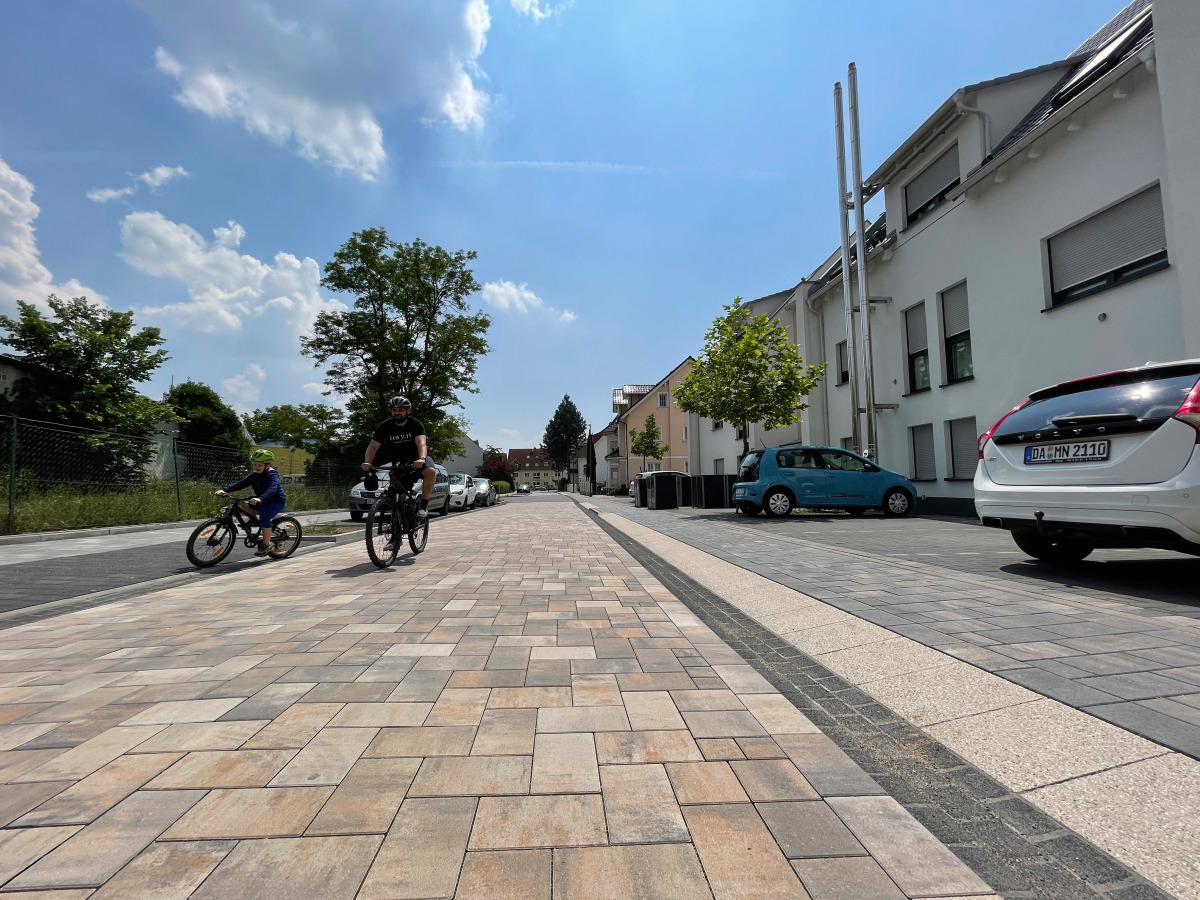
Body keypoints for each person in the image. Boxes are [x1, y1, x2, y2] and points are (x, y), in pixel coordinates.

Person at [362, 396, 437, 520]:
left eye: (401, 410)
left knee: (430, 471)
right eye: (394, 410)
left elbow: (421, 443)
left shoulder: (415, 424)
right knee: (398, 500)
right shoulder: (385, 426)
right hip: (399, 462)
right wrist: (367, 462)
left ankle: (424, 505)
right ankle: (397, 534)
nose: (397, 413)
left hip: (417, 458)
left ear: (408, 411)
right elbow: (373, 446)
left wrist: (422, 458)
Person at [215, 449, 288, 557]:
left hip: (275, 501)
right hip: (261, 499)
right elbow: (241, 483)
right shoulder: (255, 475)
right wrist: (225, 490)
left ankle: (266, 544)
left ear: (267, 465)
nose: (256, 467)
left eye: (259, 465)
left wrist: (261, 498)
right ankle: (252, 520)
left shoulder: (273, 475)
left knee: (264, 518)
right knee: (243, 502)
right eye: (254, 464)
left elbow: (272, 488)